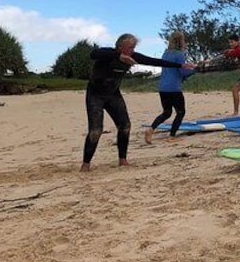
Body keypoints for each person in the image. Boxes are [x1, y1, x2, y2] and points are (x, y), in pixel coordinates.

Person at [81, 33, 194, 172]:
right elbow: (94, 53)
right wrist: (118, 56)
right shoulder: (108, 53)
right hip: (95, 95)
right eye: (130, 47)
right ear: (120, 46)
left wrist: (181, 65)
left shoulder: (133, 56)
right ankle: (85, 164)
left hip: (113, 94)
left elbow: (155, 61)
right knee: (95, 131)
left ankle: (122, 160)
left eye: (134, 47)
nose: (132, 51)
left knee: (125, 126)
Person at [145, 32, 197, 144]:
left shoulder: (166, 53)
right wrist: (195, 70)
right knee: (181, 112)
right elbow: (183, 72)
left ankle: (151, 129)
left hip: (163, 88)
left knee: (167, 112)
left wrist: (189, 67)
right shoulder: (179, 54)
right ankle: (172, 136)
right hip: (174, 88)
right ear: (181, 41)